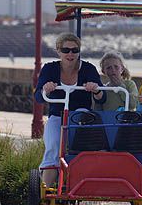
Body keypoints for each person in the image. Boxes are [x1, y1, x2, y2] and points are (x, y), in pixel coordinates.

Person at [34, 33, 106, 188]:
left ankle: (78, 184)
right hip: (57, 114)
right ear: (58, 51)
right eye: (66, 50)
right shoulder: (49, 69)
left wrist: (95, 90)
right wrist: (45, 90)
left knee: (77, 147)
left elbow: (102, 97)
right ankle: (45, 193)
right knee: (53, 147)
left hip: (81, 116)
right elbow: (38, 97)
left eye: (75, 50)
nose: (70, 54)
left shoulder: (88, 69)